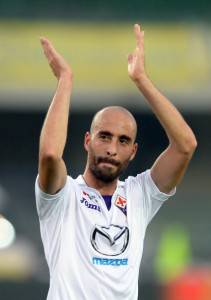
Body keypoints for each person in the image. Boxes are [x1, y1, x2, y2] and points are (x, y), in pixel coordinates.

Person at [35, 24, 197, 300]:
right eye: (104, 136)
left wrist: (141, 80)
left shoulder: (140, 195)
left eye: (122, 141)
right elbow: (50, 154)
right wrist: (65, 80)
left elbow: (185, 145)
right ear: (88, 141)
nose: (111, 148)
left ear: (133, 151)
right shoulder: (62, 197)